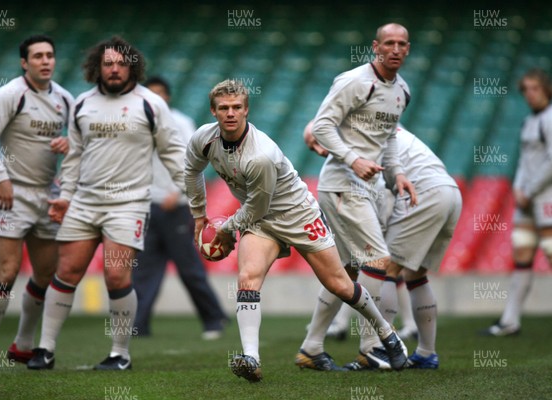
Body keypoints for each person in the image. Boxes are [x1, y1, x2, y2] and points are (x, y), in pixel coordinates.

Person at [184, 79, 407, 382]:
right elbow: (192, 171)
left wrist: (226, 229)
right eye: (224, 108)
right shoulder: (204, 139)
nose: (230, 113)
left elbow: (256, 208)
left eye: (237, 107)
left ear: (247, 110)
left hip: (297, 215)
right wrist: (199, 216)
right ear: (213, 111)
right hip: (261, 222)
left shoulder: (260, 154)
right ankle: (251, 357)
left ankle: (387, 333)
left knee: (339, 285)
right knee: (248, 278)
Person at [27, 36, 186, 371]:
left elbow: (173, 154)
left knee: (116, 276)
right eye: (108, 64)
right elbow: (73, 156)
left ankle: (120, 353)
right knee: (66, 271)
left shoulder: (150, 104)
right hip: (84, 201)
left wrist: (192, 196)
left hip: (128, 205)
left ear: (133, 67)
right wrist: (65, 197)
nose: (114, 70)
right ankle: (44, 349)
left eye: (121, 64)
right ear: (97, 67)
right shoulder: (82, 103)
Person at [299, 123, 461, 370]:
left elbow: (382, 193)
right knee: (415, 275)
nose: (320, 151)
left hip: (421, 193)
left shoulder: (354, 144)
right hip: (448, 192)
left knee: (382, 268)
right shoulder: (376, 126)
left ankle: (376, 350)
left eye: (317, 141)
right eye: (312, 149)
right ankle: (426, 354)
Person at [303, 23, 416, 370]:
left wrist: (397, 174)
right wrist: (353, 158)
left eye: (401, 44)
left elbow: (389, 137)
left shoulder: (402, 91)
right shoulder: (354, 81)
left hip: (370, 187)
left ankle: (311, 346)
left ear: (407, 49)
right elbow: (321, 126)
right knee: (378, 260)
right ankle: (371, 345)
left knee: (346, 272)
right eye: (389, 43)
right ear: (375, 47)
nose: (395, 49)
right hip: (341, 185)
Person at [0, 34, 73, 370]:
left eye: (50, 55)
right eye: (38, 56)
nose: (45, 61)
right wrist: (2, 178)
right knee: (8, 270)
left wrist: (69, 144)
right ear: (24, 62)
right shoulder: (9, 94)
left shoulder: (65, 99)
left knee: (45, 274)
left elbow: (80, 142)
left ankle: (23, 344)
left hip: (49, 194)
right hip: (12, 191)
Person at [133, 76, 227, 340]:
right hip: (149, 205)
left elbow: (195, 160)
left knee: (189, 267)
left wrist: (178, 192)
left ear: (168, 96)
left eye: (160, 93)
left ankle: (213, 318)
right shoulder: (138, 123)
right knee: (144, 268)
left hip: (176, 206)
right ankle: (138, 324)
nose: (156, 98)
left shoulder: (181, 122)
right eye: (151, 93)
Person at [482, 69, 552, 336]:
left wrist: (530, 190)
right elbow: (525, 161)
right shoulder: (529, 121)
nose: (530, 94)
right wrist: (518, 188)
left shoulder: (549, 118)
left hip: (546, 198)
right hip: (528, 200)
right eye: (526, 89)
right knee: (522, 254)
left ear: (545, 88)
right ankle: (510, 320)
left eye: (535, 88)